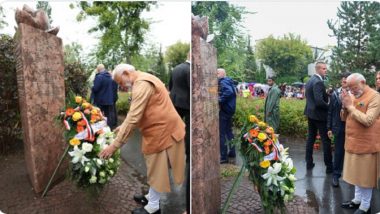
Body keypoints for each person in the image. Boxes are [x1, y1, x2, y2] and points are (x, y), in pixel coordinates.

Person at [99, 64, 185, 214]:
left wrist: (114, 146)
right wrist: (122, 127)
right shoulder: (144, 78)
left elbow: (133, 117)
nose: (121, 87)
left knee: (156, 169)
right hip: (162, 130)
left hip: (161, 132)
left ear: (126, 73)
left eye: (120, 82)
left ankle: (153, 207)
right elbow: (138, 112)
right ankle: (151, 197)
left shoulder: (142, 83)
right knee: (156, 168)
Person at [340, 73, 380, 214]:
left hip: (367, 144)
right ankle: (357, 200)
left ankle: (365, 205)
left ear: (363, 82)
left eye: (354, 87)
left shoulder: (375, 96)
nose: (352, 91)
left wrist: (350, 107)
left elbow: (368, 120)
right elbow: (344, 118)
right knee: (357, 175)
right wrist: (344, 106)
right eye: (349, 88)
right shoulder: (353, 96)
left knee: (365, 177)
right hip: (352, 142)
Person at [168, 53, 190, 214]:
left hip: (174, 101)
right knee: (188, 130)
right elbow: (191, 87)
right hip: (187, 103)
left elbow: (170, 85)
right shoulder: (189, 69)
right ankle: (188, 154)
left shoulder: (176, 67)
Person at [304, 61, 333, 173]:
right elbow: (319, 102)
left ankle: (309, 163)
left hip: (310, 114)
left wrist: (326, 94)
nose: (326, 70)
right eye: (324, 69)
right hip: (319, 116)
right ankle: (329, 167)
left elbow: (311, 97)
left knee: (311, 138)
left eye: (326, 68)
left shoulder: (310, 81)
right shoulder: (318, 82)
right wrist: (329, 104)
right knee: (326, 141)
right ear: (318, 69)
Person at [327, 72, 351, 187]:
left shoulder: (355, 94)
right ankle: (336, 175)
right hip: (339, 127)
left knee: (352, 153)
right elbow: (330, 112)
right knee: (339, 152)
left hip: (352, 127)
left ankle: (353, 177)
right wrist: (329, 128)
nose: (344, 82)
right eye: (343, 81)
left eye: (346, 81)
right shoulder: (335, 94)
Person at [217, 68, 236, 164]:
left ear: (222, 74)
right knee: (229, 132)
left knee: (222, 133)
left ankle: (223, 157)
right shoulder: (228, 81)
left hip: (225, 110)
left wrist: (219, 100)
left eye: (217, 73)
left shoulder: (223, 82)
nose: (216, 75)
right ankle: (232, 152)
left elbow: (229, 92)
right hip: (230, 110)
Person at [91, 64, 117, 129]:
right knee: (109, 115)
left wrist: (92, 87)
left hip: (101, 99)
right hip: (110, 99)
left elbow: (96, 88)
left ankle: (100, 129)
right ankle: (109, 128)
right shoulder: (111, 76)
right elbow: (115, 88)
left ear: (98, 69)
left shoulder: (99, 77)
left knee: (99, 115)